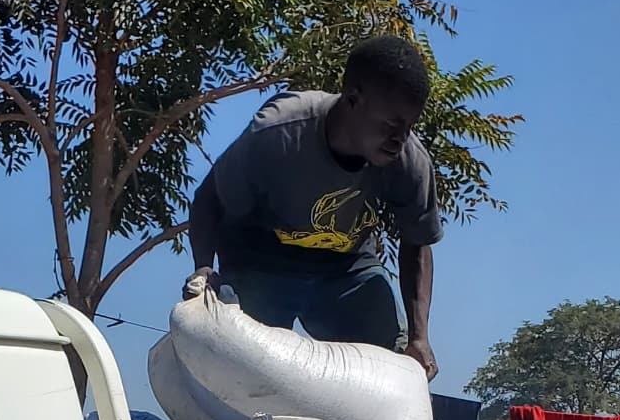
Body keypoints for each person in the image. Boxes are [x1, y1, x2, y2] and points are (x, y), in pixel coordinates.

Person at [185, 34, 441, 378]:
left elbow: (417, 243)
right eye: (390, 125)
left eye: (409, 127)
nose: (400, 139)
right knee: (238, 368)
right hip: (260, 263)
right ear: (353, 99)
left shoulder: (411, 162)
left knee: (394, 367)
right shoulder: (278, 132)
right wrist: (203, 268)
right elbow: (209, 199)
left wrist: (419, 337)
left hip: (345, 271)